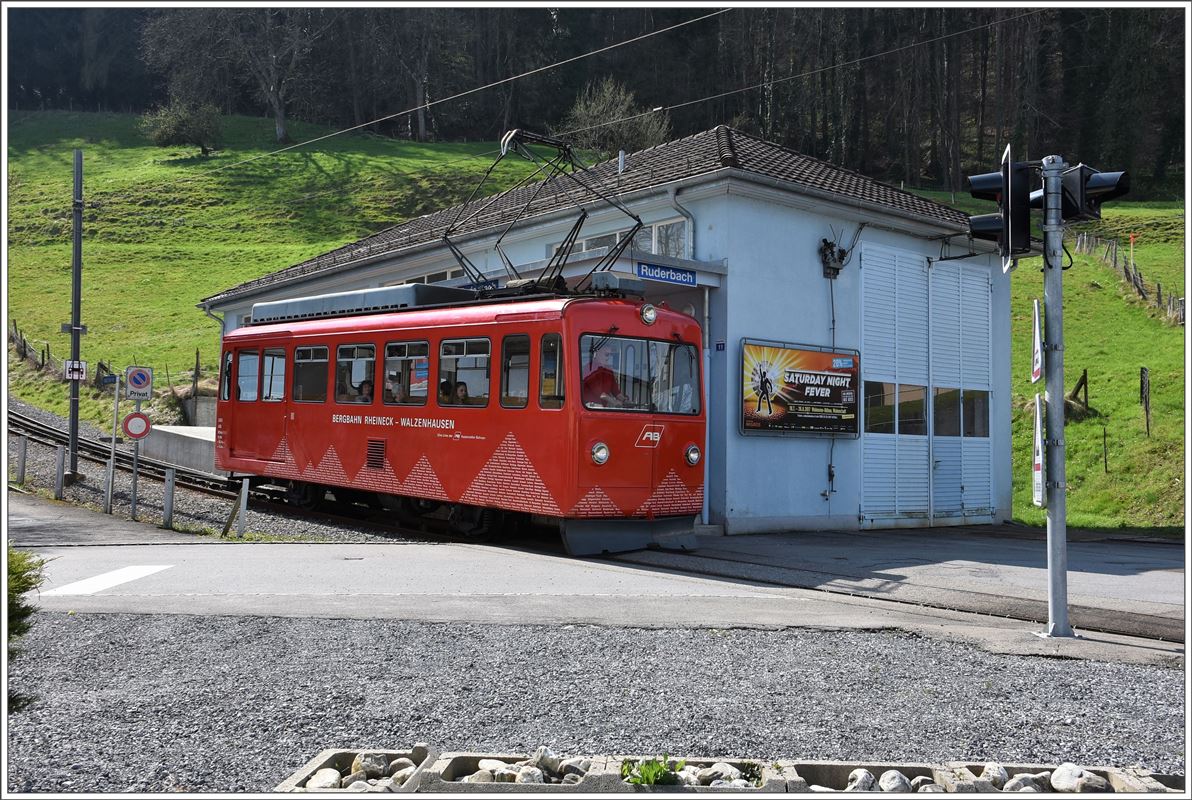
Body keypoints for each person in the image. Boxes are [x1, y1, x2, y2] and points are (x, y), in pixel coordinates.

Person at [583, 342, 626, 408]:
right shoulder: (589, 368)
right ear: (597, 353)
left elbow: (615, 391)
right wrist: (614, 402)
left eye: (610, 355)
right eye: (606, 354)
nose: (608, 357)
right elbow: (599, 393)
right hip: (589, 407)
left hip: (602, 407)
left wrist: (625, 400)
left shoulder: (608, 370)